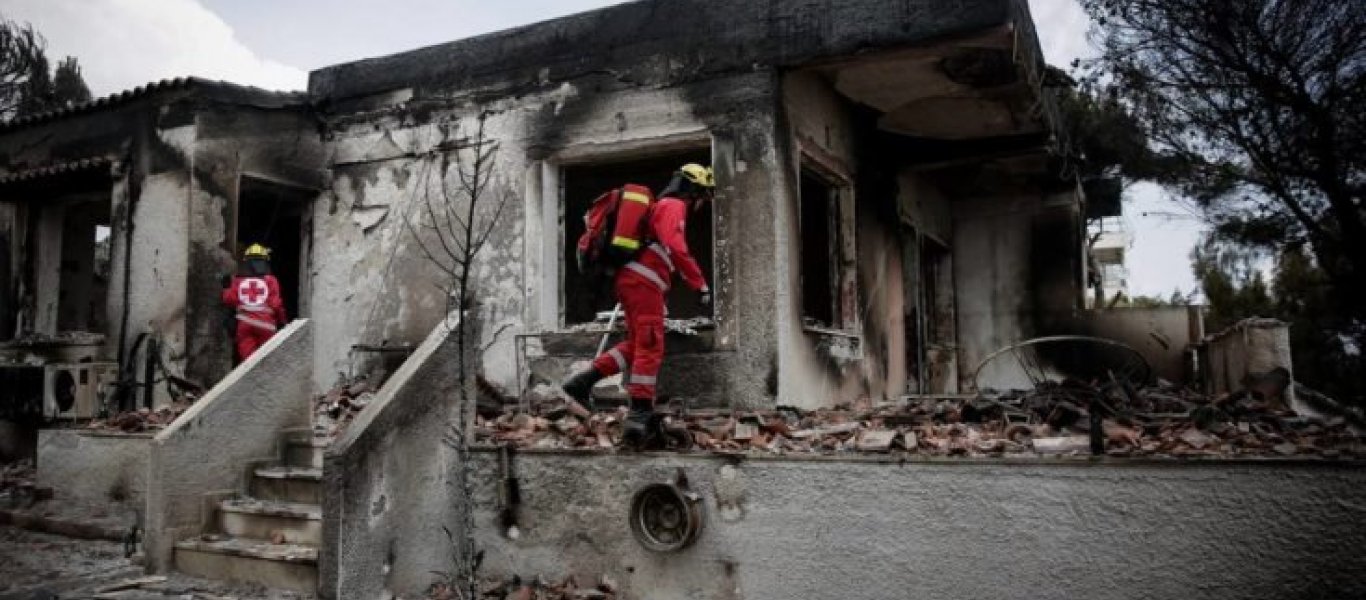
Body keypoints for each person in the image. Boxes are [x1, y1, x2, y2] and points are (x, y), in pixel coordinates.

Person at [562, 163, 714, 446]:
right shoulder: (672, 205)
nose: (701, 205)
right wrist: (699, 284)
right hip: (644, 283)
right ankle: (639, 414)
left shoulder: (661, 206)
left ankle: (582, 382)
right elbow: (676, 246)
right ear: (694, 190)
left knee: (636, 345)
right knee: (651, 343)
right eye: (703, 197)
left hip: (634, 282)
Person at [221, 243, 288, 362]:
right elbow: (276, 304)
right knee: (266, 361)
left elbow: (229, 299)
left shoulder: (238, 280)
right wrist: (283, 321)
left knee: (248, 363)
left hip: (245, 325)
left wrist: (226, 287)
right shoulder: (271, 281)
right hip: (266, 326)